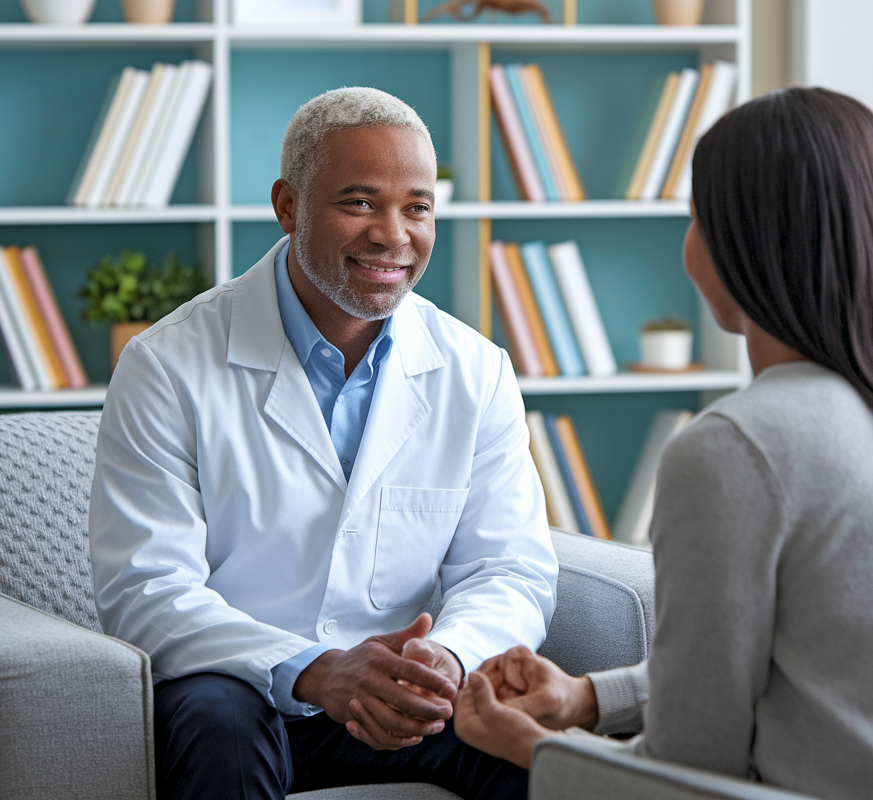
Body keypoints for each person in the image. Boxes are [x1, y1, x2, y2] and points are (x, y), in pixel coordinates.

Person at [452, 86, 873, 800]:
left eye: (695, 218)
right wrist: (588, 699)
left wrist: (537, 748)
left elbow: (691, 770)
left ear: (737, 245)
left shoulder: (732, 448)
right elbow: (830, 659)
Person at [88, 86, 558, 800]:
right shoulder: (167, 364)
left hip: (409, 699)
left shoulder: (477, 369)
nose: (393, 234)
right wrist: (314, 669)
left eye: (418, 207)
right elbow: (146, 588)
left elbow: (510, 569)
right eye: (360, 202)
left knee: (540, 754)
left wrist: (447, 661)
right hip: (248, 691)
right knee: (217, 719)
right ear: (288, 206)